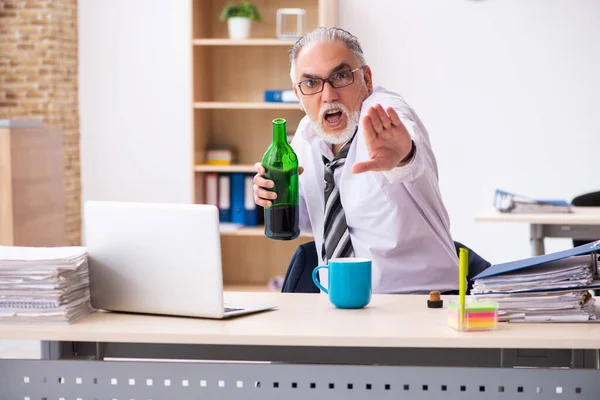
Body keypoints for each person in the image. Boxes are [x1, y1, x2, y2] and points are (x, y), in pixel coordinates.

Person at [253, 27, 458, 294]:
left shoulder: (385, 113)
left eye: (341, 76)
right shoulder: (306, 136)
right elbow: (311, 219)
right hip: (339, 302)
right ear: (298, 95)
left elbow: (411, 158)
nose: (328, 95)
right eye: (312, 83)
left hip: (420, 302)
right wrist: (274, 196)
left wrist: (402, 154)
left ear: (367, 79)